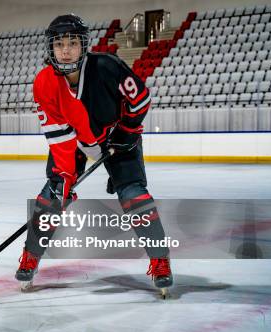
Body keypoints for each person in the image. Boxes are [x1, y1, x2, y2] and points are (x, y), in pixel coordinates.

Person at [15, 14, 173, 295]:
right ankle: (31, 256)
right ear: (50, 48)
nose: (65, 50)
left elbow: (141, 99)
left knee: (133, 194)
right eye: (59, 43)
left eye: (72, 43)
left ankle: (160, 260)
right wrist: (64, 177)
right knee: (50, 197)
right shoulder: (44, 82)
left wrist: (128, 130)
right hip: (75, 142)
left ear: (83, 44)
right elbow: (59, 135)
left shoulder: (107, 66)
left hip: (118, 136)